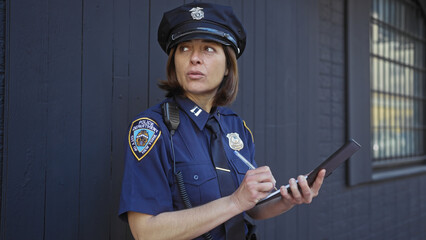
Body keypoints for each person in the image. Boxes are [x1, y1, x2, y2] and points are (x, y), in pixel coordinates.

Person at [119, 2, 326, 240]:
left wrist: (288, 199)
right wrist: (235, 201)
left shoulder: (235, 126)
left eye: (208, 49)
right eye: (184, 48)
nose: (194, 58)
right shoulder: (153, 129)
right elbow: (145, 232)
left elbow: (252, 208)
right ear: (174, 62)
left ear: (228, 66)